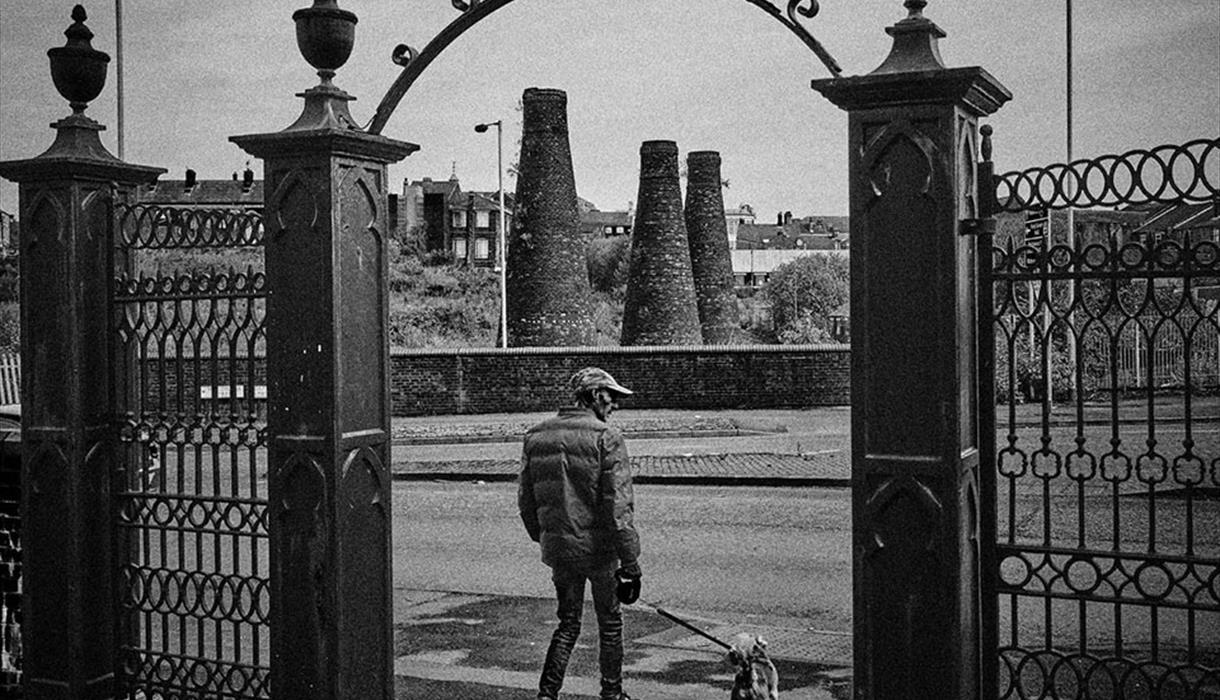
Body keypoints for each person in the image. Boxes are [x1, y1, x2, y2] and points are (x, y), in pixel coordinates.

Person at [518, 367, 642, 700]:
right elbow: (619, 510)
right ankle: (612, 694)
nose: (614, 405)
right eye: (612, 397)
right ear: (596, 396)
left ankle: (547, 695)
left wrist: (550, 538)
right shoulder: (607, 438)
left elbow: (527, 503)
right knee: (610, 624)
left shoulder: (536, 436)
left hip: (561, 550)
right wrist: (630, 565)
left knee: (568, 623)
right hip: (600, 552)